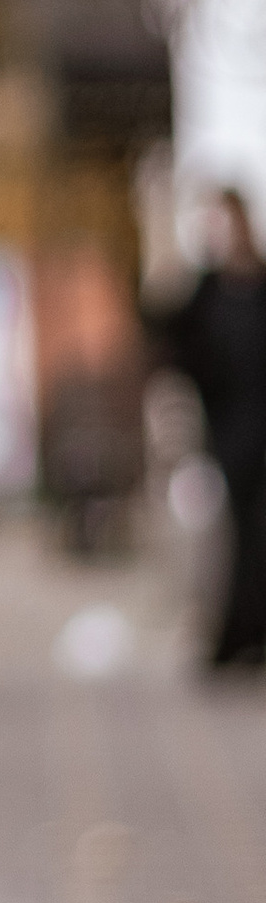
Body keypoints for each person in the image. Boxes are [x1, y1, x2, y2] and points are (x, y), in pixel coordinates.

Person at [151, 185, 266, 669]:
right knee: (239, 536)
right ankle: (238, 636)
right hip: (231, 429)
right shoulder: (207, 291)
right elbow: (166, 333)